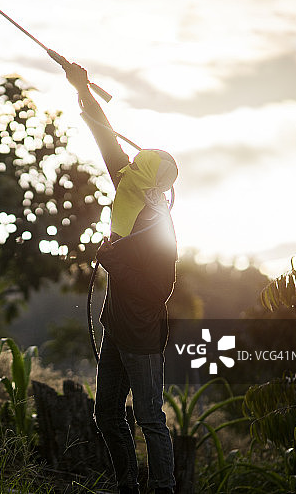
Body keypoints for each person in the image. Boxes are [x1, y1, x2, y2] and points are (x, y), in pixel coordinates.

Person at [62, 61, 178, 494]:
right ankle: (126, 484)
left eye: (136, 169)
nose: (125, 171)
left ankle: (162, 489)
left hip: (143, 337)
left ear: (152, 185)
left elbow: (158, 291)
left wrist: (114, 262)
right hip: (116, 328)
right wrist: (81, 89)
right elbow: (102, 133)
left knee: (150, 419)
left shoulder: (160, 228)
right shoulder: (130, 186)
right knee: (106, 413)